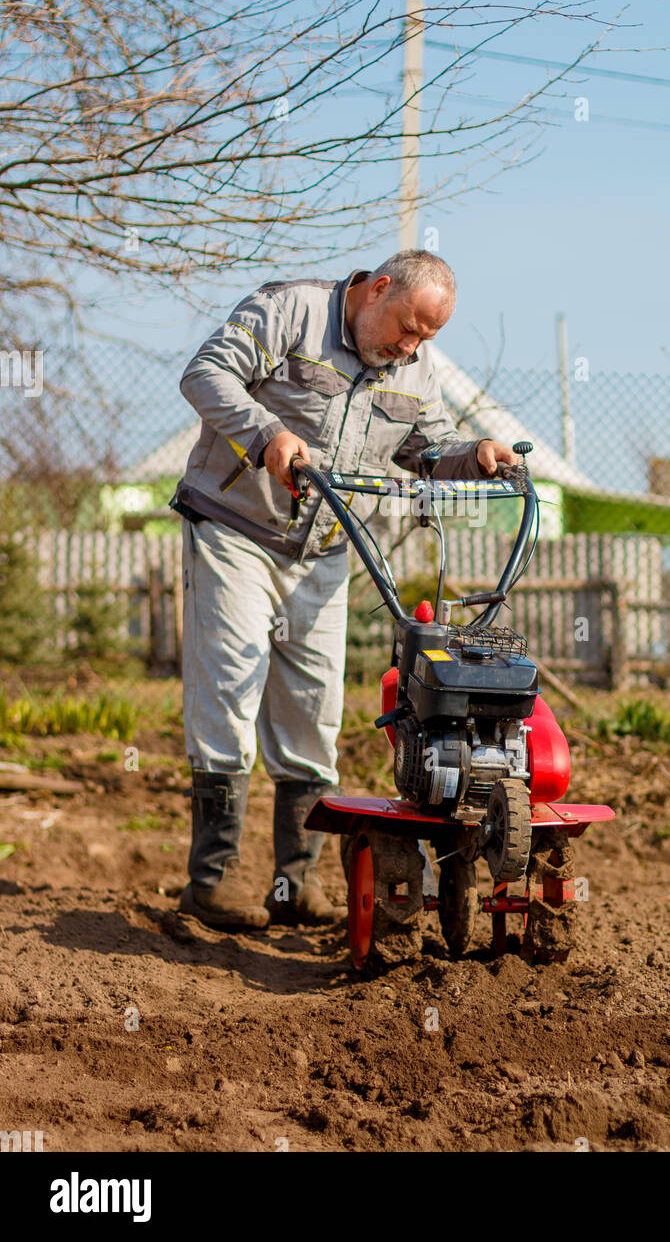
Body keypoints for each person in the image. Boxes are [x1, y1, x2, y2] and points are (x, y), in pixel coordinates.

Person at [170, 250, 516, 930]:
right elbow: (204, 374)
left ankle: (293, 885)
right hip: (237, 529)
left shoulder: (414, 364)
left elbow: (426, 445)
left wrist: (473, 455)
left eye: (426, 339)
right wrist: (266, 433)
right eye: (408, 329)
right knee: (232, 688)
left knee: (312, 709)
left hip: (326, 547)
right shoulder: (288, 311)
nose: (411, 348)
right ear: (377, 289)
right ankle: (209, 884)